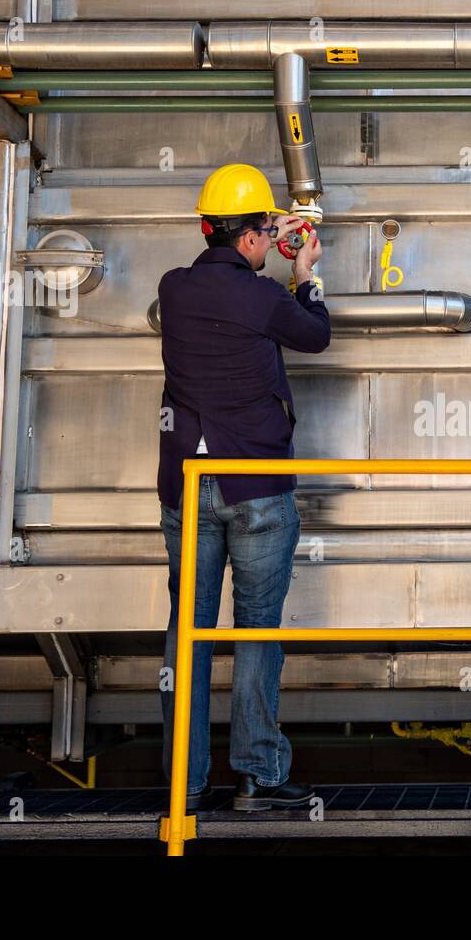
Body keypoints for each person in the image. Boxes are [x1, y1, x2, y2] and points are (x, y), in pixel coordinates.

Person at [156, 163, 329, 812]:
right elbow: (316, 335)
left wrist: (261, 231)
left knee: (188, 630)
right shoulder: (265, 298)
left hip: (187, 484)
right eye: (264, 232)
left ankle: (185, 780)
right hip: (254, 483)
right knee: (256, 629)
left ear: (205, 228)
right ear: (255, 238)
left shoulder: (173, 289)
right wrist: (304, 269)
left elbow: (230, 264)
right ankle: (258, 771)